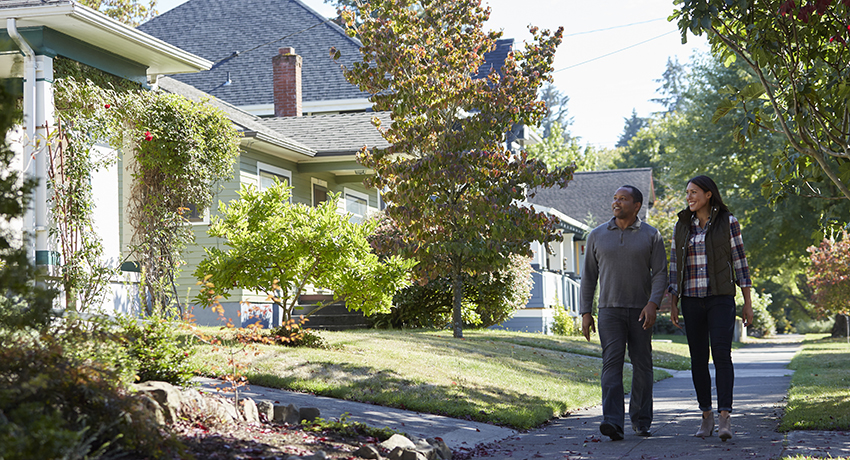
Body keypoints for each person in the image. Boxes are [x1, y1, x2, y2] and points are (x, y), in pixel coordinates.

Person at [668, 175, 754, 442]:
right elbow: (674, 266)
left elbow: (740, 262)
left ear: (708, 194)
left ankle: (725, 416)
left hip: (720, 298)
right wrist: (673, 301)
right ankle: (706, 415)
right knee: (697, 359)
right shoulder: (682, 225)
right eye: (687, 193)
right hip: (691, 300)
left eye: (694, 192)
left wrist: (747, 302)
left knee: (721, 355)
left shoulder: (728, 222)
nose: (689, 197)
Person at [580, 185, 668, 441]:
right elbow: (588, 277)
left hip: (642, 311)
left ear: (637, 205)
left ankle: (641, 420)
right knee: (611, 364)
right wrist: (586, 311)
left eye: (623, 199)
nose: (616, 203)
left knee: (642, 365)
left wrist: (653, 303)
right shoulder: (596, 235)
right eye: (614, 198)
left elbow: (660, 272)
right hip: (609, 311)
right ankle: (612, 422)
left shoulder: (651, 235)